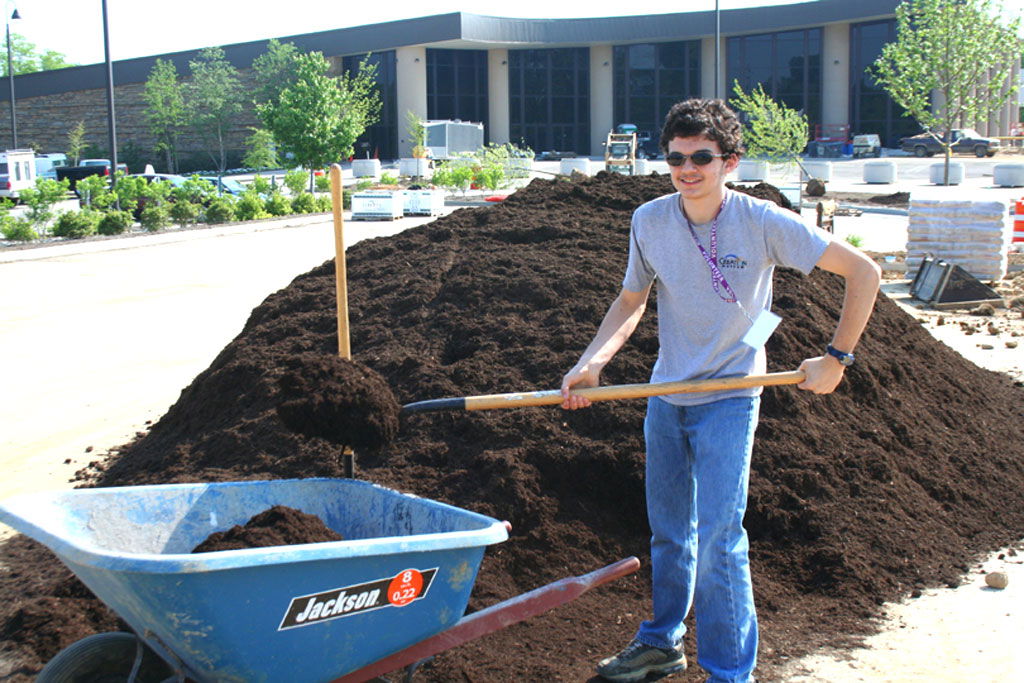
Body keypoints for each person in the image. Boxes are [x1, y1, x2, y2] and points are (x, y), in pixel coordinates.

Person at [560, 98, 881, 683]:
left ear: (729, 161)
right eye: (677, 157)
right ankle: (661, 643)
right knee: (668, 533)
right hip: (665, 396)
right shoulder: (650, 220)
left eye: (701, 157)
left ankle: (731, 673)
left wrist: (836, 359)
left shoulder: (761, 221)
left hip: (732, 398)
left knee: (719, 540)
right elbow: (631, 300)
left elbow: (865, 273)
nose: (687, 168)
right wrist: (593, 363)